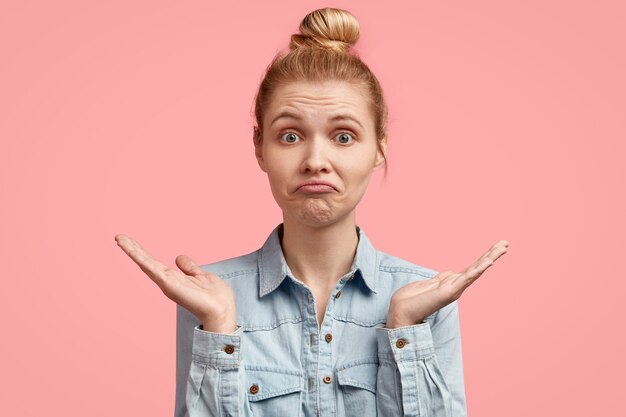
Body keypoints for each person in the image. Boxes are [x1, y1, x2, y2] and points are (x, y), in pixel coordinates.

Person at [115, 7, 508, 417]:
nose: (315, 160)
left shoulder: (429, 298)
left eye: (343, 136)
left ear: (379, 149)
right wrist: (220, 329)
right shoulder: (209, 298)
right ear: (260, 148)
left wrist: (405, 327)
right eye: (290, 135)